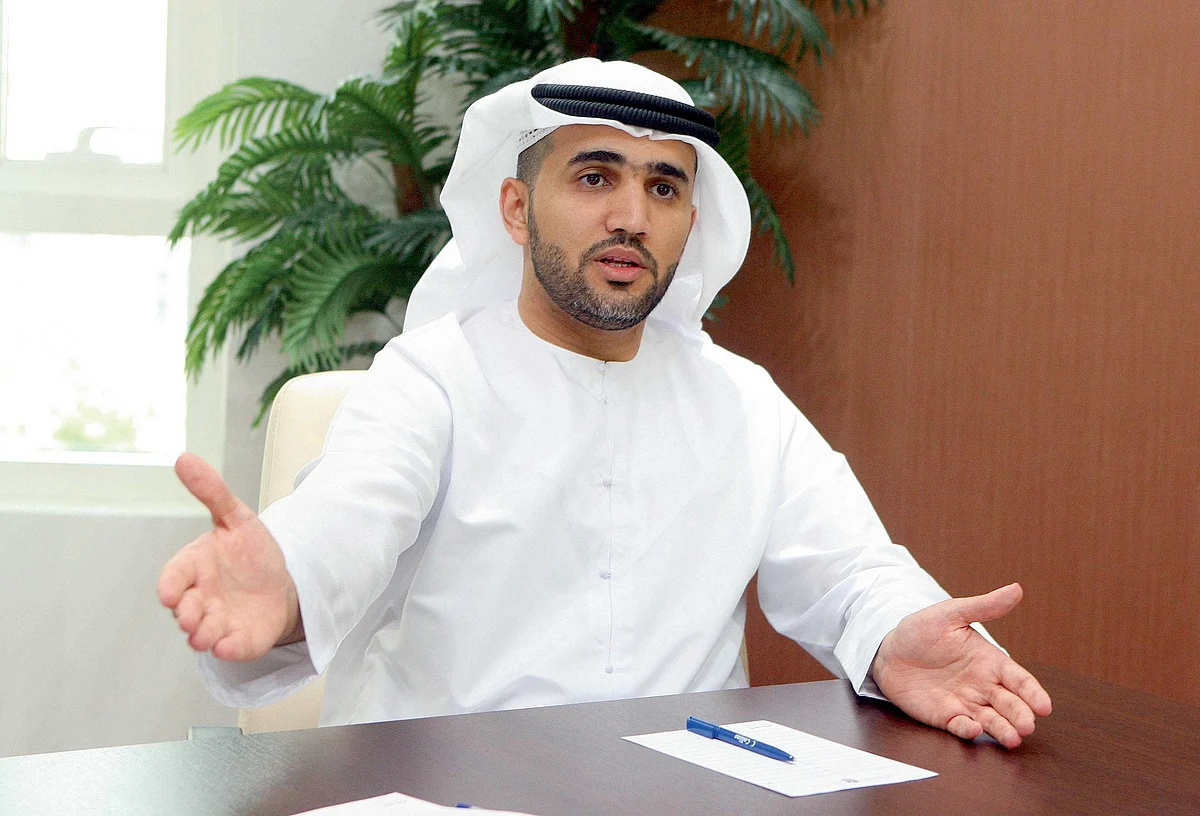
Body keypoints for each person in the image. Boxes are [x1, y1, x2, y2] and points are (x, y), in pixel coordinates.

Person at [159, 59, 1051, 749]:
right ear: (516, 209)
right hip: (456, 789)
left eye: (664, 187)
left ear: (691, 221)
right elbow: (345, 525)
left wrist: (898, 632)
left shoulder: (739, 400)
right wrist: (285, 582)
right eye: (595, 177)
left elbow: (849, 569)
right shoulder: (432, 379)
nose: (632, 216)